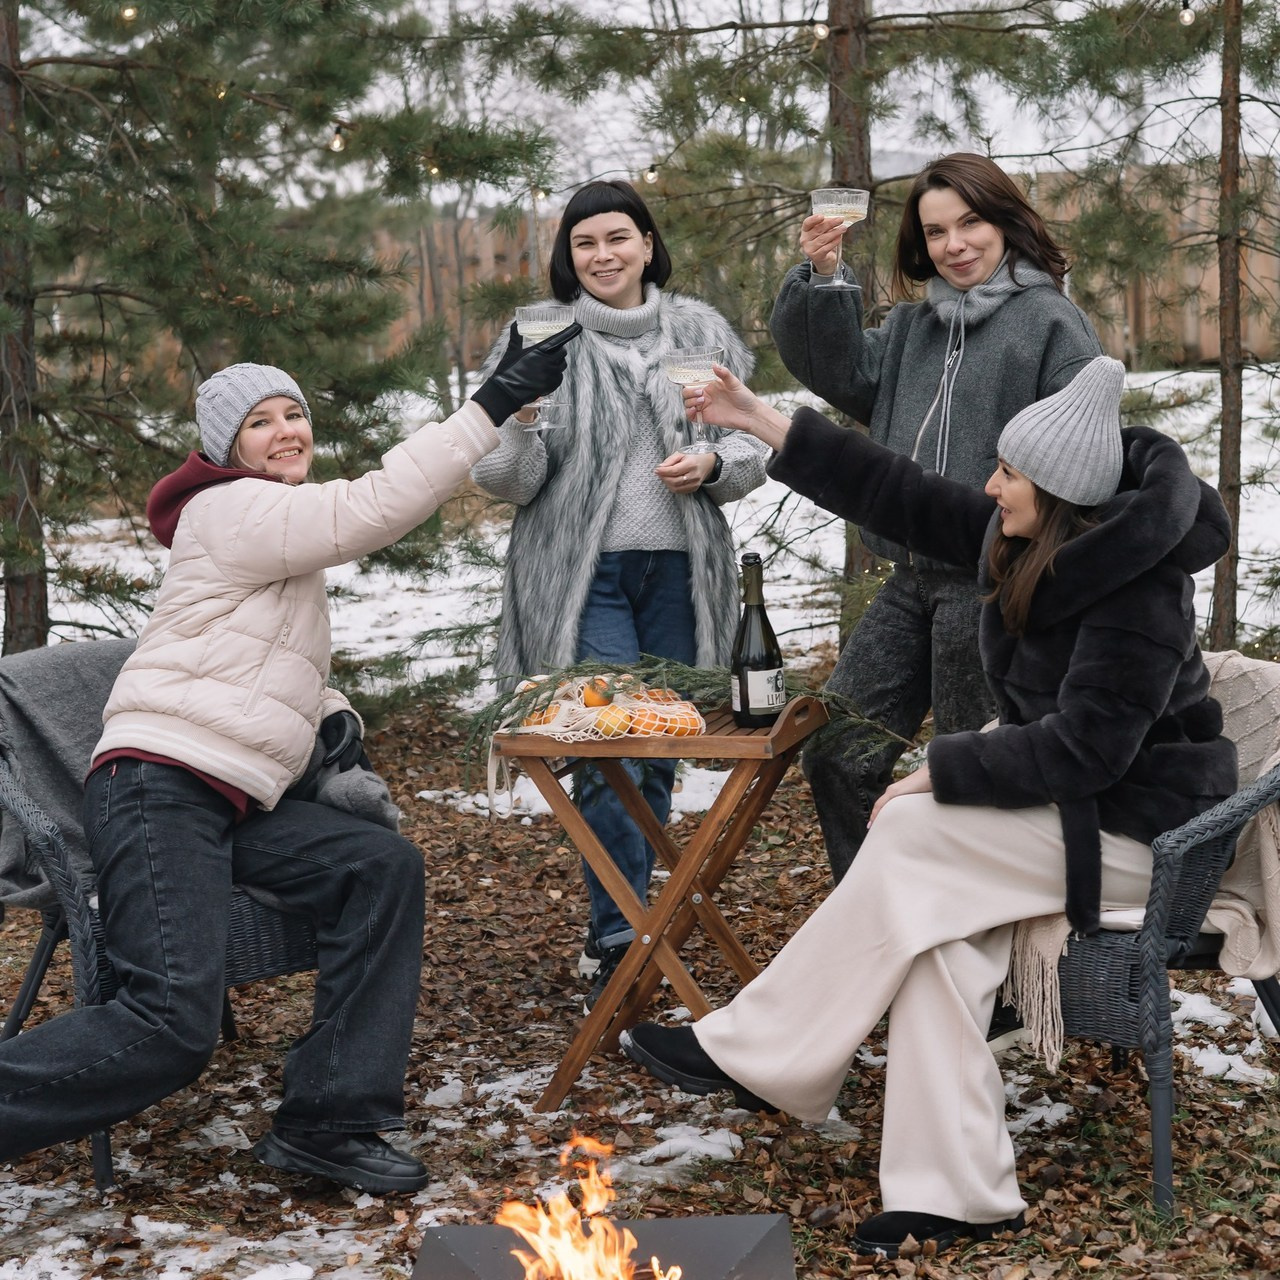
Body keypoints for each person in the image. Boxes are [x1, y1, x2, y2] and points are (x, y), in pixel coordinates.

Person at [620, 355, 1236, 1257]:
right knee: (938, 945)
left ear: (1058, 493)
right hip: (1070, 813)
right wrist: (759, 419)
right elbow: (901, 494)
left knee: (910, 826)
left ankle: (757, 1054)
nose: (990, 487)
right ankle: (956, 1193)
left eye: (1008, 475)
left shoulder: (1137, 591)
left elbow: (1089, 750)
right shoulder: (1033, 535)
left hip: (1142, 833)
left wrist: (945, 768)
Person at [0, 334, 575, 1192]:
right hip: (156, 787)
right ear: (224, 450)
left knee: (379, 868)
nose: (284, 431)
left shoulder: (267, 530)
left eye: (294, 414)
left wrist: (332, 723)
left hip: (228, 798)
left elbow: (266, 663)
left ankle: (330, 1124)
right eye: (259, 423)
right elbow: (373, 506)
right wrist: (487, 408)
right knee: (168, 1025)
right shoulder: (230, 511)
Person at [472, 180, 770, 1011]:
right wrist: (520, 420)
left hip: (681, 571)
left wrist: (712, 466)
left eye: (617, 239)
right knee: (609, 744)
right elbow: (507, 480)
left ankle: (647, 916)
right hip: (581, 573)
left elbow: (747, 446)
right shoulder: (538, 333)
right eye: (583, 245)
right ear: (568, 258)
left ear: (647, 243)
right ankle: (617, 937)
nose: (601, 257)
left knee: (663, 742)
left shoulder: (699, 331)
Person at [770, 153, 1103, 884]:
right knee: (839, 754)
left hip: (992, 585)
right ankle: (882, 926)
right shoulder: (915, 327)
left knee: (970, 779)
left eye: (970, 223)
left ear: (1006, 222)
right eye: (936, 231)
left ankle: (986, 974)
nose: (955, 245)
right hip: (909, 582)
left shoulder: (1052, 324)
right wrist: (824, 279)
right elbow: (843, 374)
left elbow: (1084, 465)